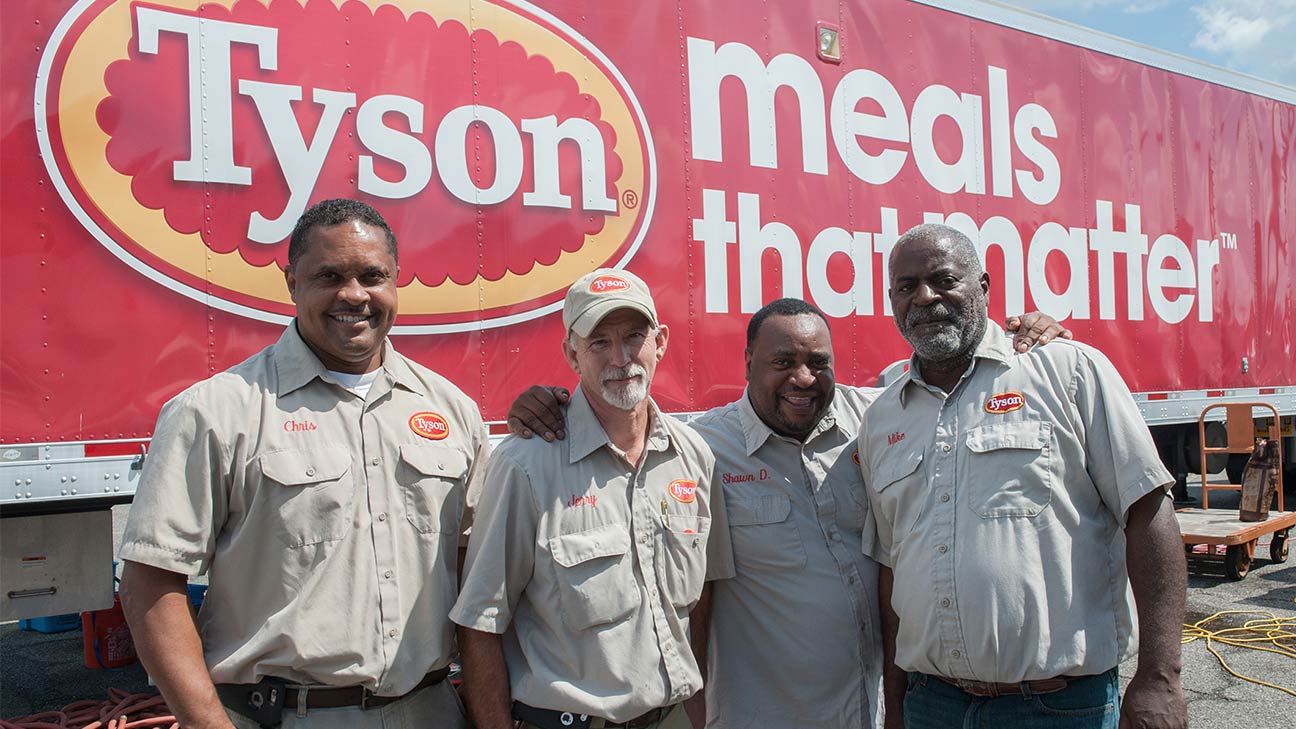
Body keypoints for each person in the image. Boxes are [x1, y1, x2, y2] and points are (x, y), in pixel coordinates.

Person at [508, 301, 1069, 728]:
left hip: (870, 708)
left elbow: (954, 386)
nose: (803, 378)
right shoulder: (699, 449)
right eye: (782, 362)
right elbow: (688, 589)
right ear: (748, 360)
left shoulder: (875, 421)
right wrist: (555, 405)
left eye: (817, 363)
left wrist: (1034, 341)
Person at [118, 199, 488, 729]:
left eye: (372, 276)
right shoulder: (215, 412)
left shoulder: (452, 411)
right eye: (329, 276)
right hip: (285, 717)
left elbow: (476, 583)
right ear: (291, 282)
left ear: (397, 281)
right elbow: (151, 585)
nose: (354, 295)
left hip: (431, 710)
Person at [859, 223, 1187, 729]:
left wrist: (1160, 678)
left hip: (1057, 707)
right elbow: (891, 566)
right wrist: (897, 705)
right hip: (932, 705)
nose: (925, 297)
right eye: (906, 286)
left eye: (943, 279)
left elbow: (1147, 508)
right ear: (892, 300)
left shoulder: (1066, 371)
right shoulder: (882, 417)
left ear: (984, 288)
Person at [451, 268, 733, 729]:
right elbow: (480, 622)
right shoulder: (525, 466)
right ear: (572, 354)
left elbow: (701, 596)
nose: (620, 358)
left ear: (659, 342)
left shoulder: (693, 457)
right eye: (598, 342)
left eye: (633, 337)